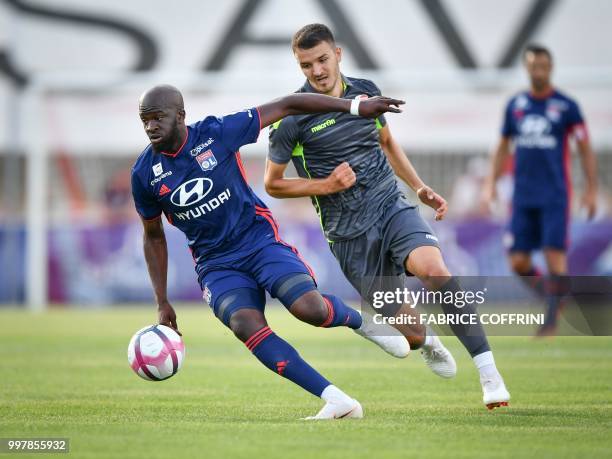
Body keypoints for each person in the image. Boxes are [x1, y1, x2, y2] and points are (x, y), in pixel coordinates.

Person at [264, 23, 510, 409]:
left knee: (436, 271)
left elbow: (386, 141)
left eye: (323, 59)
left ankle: (489, 374)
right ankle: (426, 340)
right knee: (409, 335)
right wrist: (326, 185)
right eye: (307, 65)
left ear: (338, 54)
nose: (317, 71)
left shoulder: (366, 91)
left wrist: (420, 187)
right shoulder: (293, 117)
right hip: (348, 235)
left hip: (389, 205)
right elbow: (273, 185)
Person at [131, 84, 409, 420]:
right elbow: (153, 235)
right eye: (144, 120)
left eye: (157, 118)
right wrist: (161, 301)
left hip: (258, 240)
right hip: (216, 264)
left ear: (181, 116)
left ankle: (363, 323)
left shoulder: (217, 134)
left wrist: (353, 107)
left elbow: (289, 104)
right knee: (244, 323)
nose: (150, 127)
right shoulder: (144, 174)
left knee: (310, 309)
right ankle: (337, 400)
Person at [482, 44, 598, 336]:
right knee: (518, 261)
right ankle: (553, 295)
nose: (539, 71)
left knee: (554, 256)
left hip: (554, 195)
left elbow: (584, 148)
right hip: (522, 196)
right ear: (527, 68)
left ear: (551, 68)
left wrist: (592, 189)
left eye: (543, 66)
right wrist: (490, 183)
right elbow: (502, 146)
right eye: (534, 66)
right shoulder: (516, 106)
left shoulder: (566, 106)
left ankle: (550, 322)